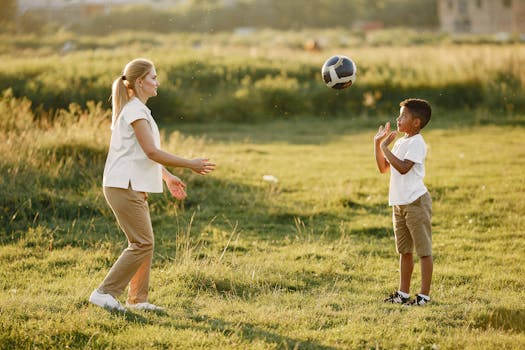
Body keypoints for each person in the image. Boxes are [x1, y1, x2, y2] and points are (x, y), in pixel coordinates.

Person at [89, 58, 215, 312]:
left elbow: (140, 153)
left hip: (131, 186)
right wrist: (189, 163)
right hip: (122, 186)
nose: (157, 82)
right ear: (139, 82)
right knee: (142, 243)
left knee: (144, 242)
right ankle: (104, 293)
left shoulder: (139, 110)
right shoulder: (135, 111)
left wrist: (167, 177)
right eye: (153, 77)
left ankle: (137, 300)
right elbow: (152, 152)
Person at [374, 98, 433, 306]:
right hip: (399, 203)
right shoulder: (400, 141)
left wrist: (385, 148)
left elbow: (403, 167)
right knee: (404, 250)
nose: (398, 119)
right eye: (399, 115)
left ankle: (424, 296)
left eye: (403, 116)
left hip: (416, 202)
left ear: (416, 122)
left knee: (423, 251)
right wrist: (377, 144)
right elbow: (383, 168)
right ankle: (403, 294)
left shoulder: (417, 142)